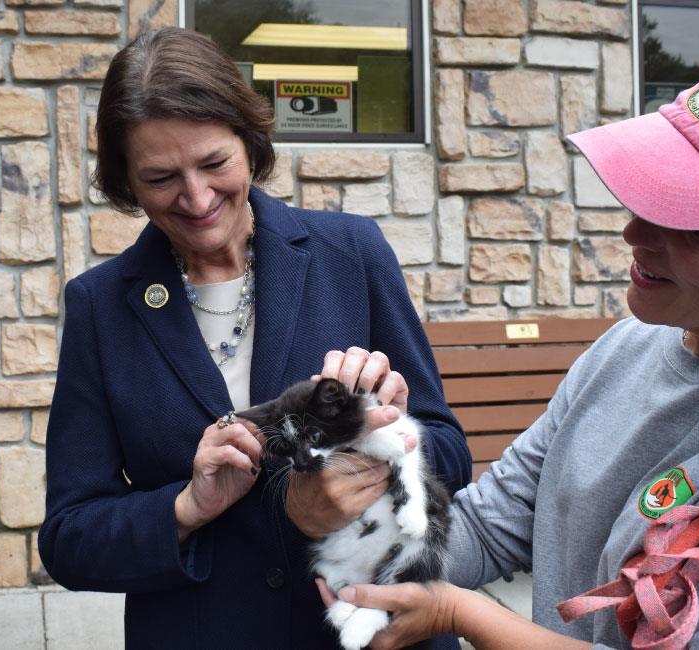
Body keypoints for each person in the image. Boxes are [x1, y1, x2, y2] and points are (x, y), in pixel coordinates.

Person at [317, 58, 699, 648]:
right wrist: (367, 515)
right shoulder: (629, 346)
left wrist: (464, 616)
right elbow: (493, 526)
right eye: (654, 192)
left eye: (697, 223)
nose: (636, 234)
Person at [38, 28, 472, 647]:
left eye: (215, 163)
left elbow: (451, 452)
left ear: (250, 140)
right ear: (126, 182)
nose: (196, 197)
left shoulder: (351, 253)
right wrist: (187, 507)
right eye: (161, 177)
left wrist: (381, 449)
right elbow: (70, 540)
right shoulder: (99, 307)